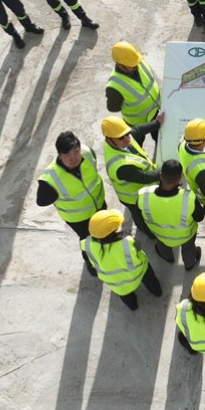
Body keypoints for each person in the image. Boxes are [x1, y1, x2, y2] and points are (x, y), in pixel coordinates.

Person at [37, 131, 106, 273]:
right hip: (80, 220)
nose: (73, 158)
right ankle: (91, 262)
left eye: (76, 152)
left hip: (100, 206)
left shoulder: (87, 152)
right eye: (67, 155)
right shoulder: (51, 178)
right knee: (87, 242)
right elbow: (41, 201)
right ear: (59, 155)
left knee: (105, 231)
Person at [83, 209, 163, 311]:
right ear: (113, 231)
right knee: (151, 280)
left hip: (117, 284)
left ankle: (133, 306)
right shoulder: (127, 242)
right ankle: (157, 292)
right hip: (139, 272)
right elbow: (138, 249)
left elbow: (90, 261)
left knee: (126, 296)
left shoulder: (88, 244)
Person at [101, 114, 162, 239]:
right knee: (141, 217)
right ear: (109, 139)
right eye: (121, 138)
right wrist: (165, 171)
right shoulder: (121, 167)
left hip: (137, 192)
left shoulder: (121, 139)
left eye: (127, 134)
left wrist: (157, 123)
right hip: (133, 198)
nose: (127, 139)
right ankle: (150, 234)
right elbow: (146, 177)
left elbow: (138, 130)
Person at [137, 159, 203, 270]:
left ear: (161, 176)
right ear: (180, 178)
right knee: (188, 249)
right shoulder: (188, 197)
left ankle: (168, 257)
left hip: (160, 233)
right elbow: (200, 217)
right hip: (186, 236)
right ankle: (189, 264)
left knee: (162, 244)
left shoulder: (144, 195)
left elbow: (140, 215)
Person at [106, 41, 162, 147]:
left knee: (159, 139)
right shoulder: (114, 85)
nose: (136, 66)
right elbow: (113, 108)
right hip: (136, 124)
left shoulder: (138, 61)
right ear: (120, 65)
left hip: (155, 114)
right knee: (136, 145)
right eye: (131, 65)